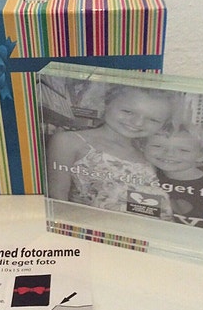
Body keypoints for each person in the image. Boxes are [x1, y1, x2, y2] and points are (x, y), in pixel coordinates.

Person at [46, 85, 174, 220]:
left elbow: (140, 199)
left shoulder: (148, 153)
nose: (138, 122)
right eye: (128, 111)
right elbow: (57, 197)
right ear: (106, 104)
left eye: (153, 119)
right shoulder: (70, 141)